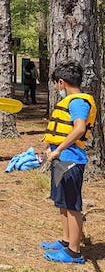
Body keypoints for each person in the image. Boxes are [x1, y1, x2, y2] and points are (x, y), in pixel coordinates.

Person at [40, 61, 95, 265]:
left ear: (61, 83)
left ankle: (74, 252)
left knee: (72, 206)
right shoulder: (72, 100)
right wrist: (53, 148)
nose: (56, 88)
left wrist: (60, 149)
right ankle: (66, 241)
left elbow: (79, 128)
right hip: (61, 158)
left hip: (71, 160)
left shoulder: (78, 102)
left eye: (56, 84)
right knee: (63, 204)